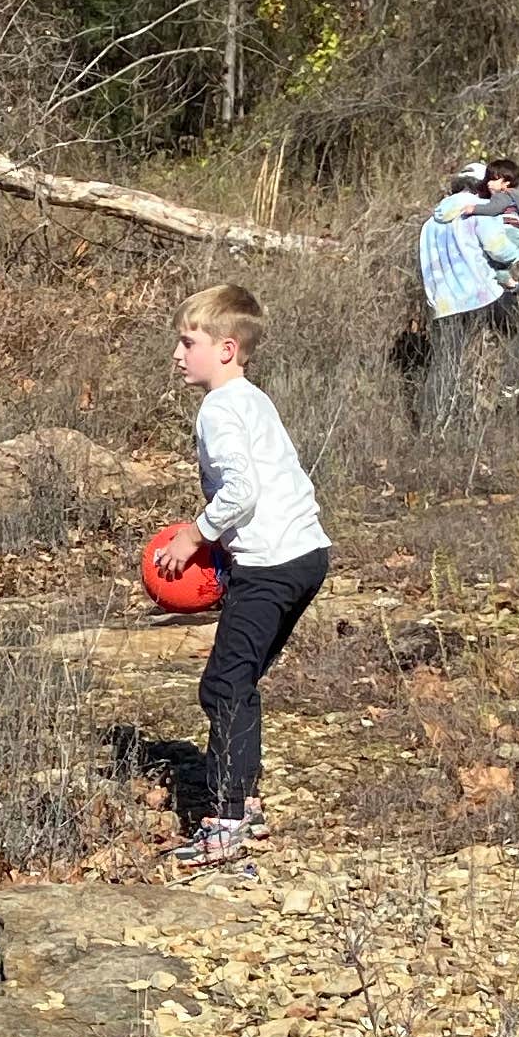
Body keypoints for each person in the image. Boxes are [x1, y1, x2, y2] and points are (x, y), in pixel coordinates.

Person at [148, 282, 330, 873]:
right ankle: (243, 802)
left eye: (187, 342)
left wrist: (196, 535)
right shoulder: (253, 398)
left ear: (226, 349)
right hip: (303, 555)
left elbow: (243, 490)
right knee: (240, 679)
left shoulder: (221, 408)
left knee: (223, 687)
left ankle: (225, 823)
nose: (177, 355)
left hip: (273, 566)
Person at [410, 155, 519, 432]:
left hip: (443, 303)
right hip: (481, 294)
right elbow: (499, 248)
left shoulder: (429, 224)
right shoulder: (478, 210)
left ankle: (432, 428)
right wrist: (516, 254)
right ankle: (508, 396)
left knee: (445, 364)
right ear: (480, 186)